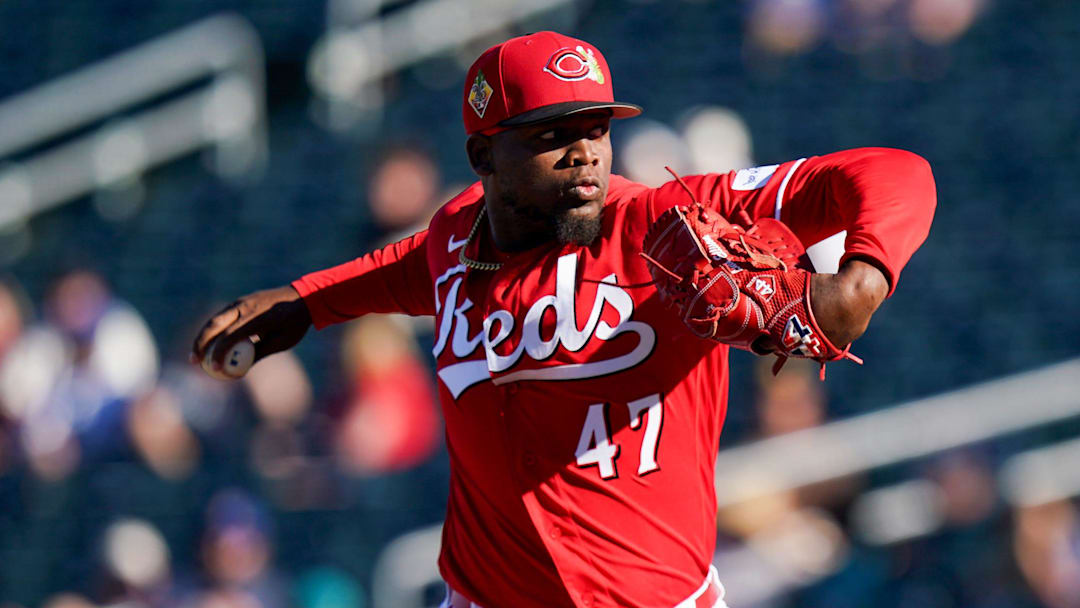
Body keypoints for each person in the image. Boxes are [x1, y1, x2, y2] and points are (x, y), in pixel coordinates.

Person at [192, 31, 936, 608]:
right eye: (552, 133)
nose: (585, 153)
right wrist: (307, 301)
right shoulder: (458, 238)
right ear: (484, 153)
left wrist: (862, 279)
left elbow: (895, 173)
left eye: (597, 128)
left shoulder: (661, 222)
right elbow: (414, 264)